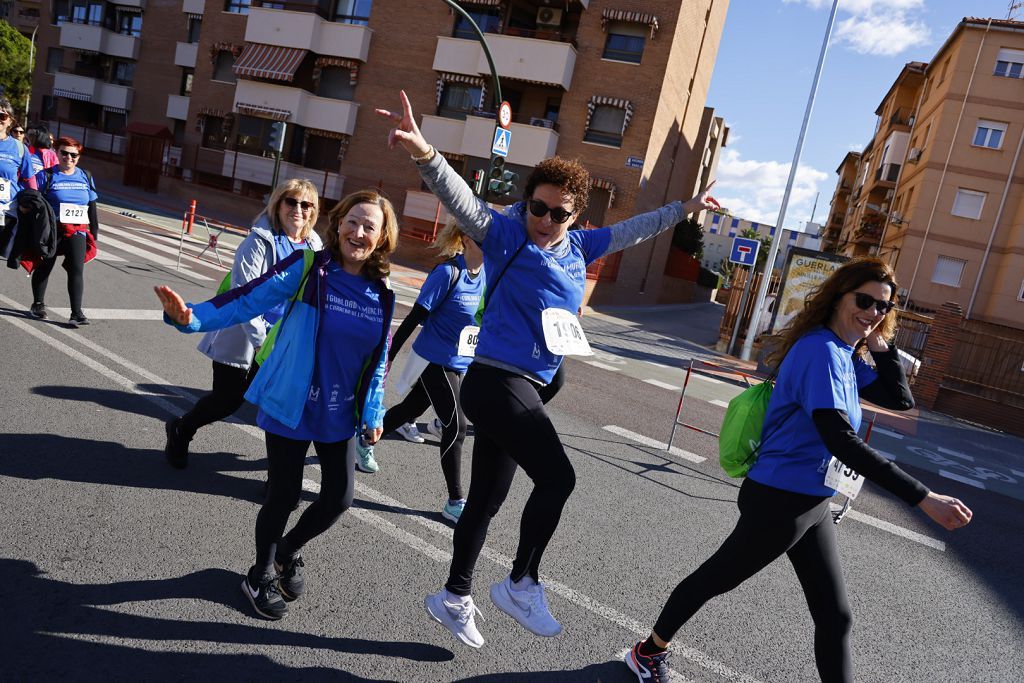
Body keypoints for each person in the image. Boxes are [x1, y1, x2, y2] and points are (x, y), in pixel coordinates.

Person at [376, 91, 720, 649]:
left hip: (527, 383)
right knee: (559, 478)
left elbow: (636, 229)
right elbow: (461, 200)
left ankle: (454, 596)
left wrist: (686, 209)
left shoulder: (580, 246)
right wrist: (422, 150)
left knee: (486, 501)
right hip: (493, 380)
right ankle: (521, 582)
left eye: (559, 212)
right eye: (538, 207)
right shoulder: (507, 233)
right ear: (527, 202)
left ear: (575, 215)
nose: (545, 219)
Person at [623, 257, 974, 683]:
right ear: (839, 297)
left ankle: (648, 651)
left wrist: (879, 340)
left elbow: (899, 399)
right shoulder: (819, 351)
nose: (874, 311)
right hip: (779, 499)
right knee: (715, 579)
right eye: (865, 300)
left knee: (835, 616)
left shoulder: (847, 355)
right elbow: (839, 439)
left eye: (884, 305)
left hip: (812, 500)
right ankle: (647, 652)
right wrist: (924, 498)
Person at [155, 189, 398, 621]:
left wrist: (374, 413)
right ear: (338, 224)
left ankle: (287, 552)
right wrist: (189, 317)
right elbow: (248, 298)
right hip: (292, 399)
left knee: (339, 499)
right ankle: (259, 573)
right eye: (352, 221)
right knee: (283, 496)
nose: (358, 232)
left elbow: (377, 363)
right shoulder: (310, 269)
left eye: (370, 227)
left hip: (339, 413)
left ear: (382, 238)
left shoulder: (382, 295)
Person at [164, 179, 323, 468]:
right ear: (278, 203)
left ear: (313, 210)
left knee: (277, 406)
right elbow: (244, 295)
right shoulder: (258, 240)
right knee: (227, 400)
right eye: (291, 201)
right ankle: (182, 428)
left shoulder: (315, 244)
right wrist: (262, 342)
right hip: (244, 335)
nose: (298, 209)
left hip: (283, 341)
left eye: (306, 204)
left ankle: (280, 480)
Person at [356, 219, 485, 522]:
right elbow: (414, 317)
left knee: (409, 409)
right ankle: (455, 502)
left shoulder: (485, 275)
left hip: (459, 361)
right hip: (434, 360)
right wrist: (386, 358)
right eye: (484, 237)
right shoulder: (447, 273)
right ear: (466, 238)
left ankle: (363, 441)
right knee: (457, 427)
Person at [28, 136, 98, 327]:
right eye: (64, 153)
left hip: (77, 231)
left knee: (76, 270)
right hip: (52, 229)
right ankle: (38, 304)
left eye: (74, 154)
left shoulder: (86, 176)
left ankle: (76, 313)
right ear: (56, 152)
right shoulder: (46, 175)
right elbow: (35, 202)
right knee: (45, 265)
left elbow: (92, 207)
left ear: (79, 156)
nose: (69, 157)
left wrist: (95, 234)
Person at [0, 98, 38, 261]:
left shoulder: (19, 148)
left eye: (2, 116)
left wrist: (34, 204)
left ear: (10, 121)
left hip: (7, 211)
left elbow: (30, 180)